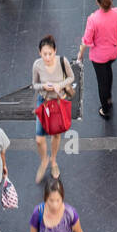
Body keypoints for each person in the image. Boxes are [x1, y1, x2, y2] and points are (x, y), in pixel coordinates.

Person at [32, 35, 75, 183]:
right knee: (39, 138)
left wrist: (60, 85)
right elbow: (34, 85)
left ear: (55, 51)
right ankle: (44, 160)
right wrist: (43, 86)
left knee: (56, 135)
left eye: (50, 53)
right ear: (40, 53)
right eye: (45, 54)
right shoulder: (37, 65)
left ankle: (54, 162)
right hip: (43, 102)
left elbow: (71, 77)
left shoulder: (62, 61)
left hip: (57, 102)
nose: (48, 57)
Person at [77, 0, 117, 119]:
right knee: (108, 72)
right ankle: (109, 98)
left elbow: (87, 40)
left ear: (97, 1)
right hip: (113, 51)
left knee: (102, 82)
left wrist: (80, 54)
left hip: (99, 56)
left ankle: (105, 109)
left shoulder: (93, 19)